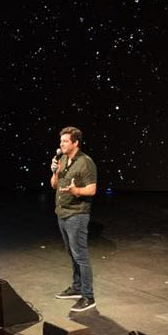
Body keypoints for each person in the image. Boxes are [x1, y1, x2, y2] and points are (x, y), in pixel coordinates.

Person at [50, 126, 98, 312]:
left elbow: (92, 190)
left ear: (76, 143)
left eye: (65, 141)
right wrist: (54, 171)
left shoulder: (86, 163)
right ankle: (77, 288)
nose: (61, 144)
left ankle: (88, 296)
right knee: (72, 253)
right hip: (62, 213)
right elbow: (54, 185)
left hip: (77, 214)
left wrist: (75, 191)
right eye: (61, 141)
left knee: (81, 256)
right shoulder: (62, 158)